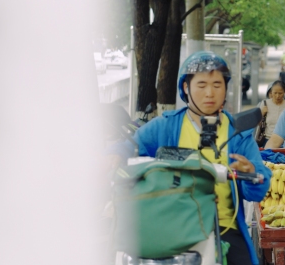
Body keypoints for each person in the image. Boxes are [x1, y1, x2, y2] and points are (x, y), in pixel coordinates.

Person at [107, 51, 271, 265]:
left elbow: (259, 186)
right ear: (186, 88)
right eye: (201, 85)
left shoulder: (238, 134)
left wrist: (251, 172)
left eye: (217, 85)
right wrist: (114, 155)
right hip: (173, 225)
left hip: (223, 228)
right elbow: (130, 145)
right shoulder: (165, 126)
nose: (210, 93)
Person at [256, 80, 285, 147]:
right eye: (275, 93)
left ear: (284, 92)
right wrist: (262, 113)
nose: (277, 96)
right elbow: (257, 123)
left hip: (284, 142)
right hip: (267, 140)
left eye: (280, 93)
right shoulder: (265, 104)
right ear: (271, 92)